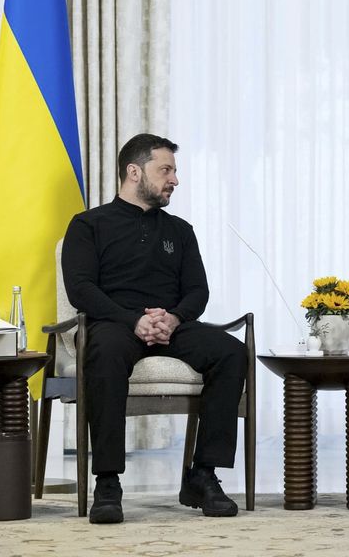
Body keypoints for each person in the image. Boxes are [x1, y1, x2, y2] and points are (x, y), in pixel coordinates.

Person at [62, 133, 247, 524]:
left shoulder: (180, 230)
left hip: (171, 326)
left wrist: (173, 319)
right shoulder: (88, 225)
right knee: (105, 351)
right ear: (134, 172)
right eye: (166, 170)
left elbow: (198, 290)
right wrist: (135, 320)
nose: (174, 180)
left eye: (174, 171)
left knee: (230, 351)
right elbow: (81, 289)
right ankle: (108, 481)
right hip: (114, 324)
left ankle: (203, 474)